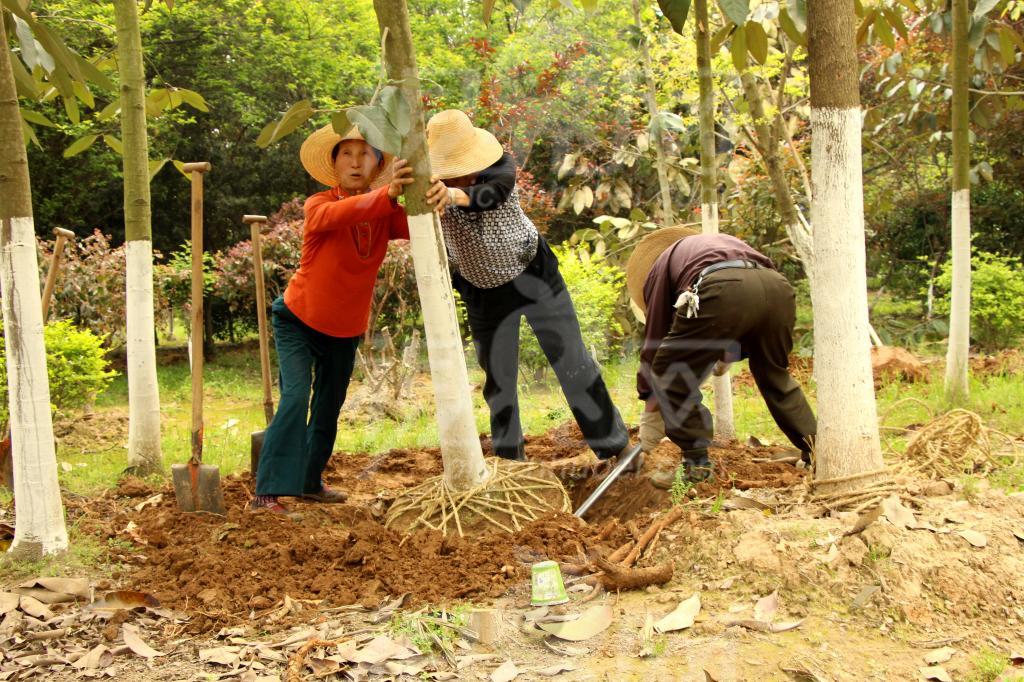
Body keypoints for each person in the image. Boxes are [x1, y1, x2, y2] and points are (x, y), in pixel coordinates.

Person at [249, 124, 449, 517]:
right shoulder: (319, 204)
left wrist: (434, 195)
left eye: (366, 154)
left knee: (328, 406)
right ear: (334, 163)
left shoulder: (384, 212)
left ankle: (308, 482)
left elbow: (419, 225)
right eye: (347, 154)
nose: (356, 162)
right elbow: (340, 214)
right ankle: (266, 492)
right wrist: (387, 194)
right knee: (294, 399)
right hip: (298, 318)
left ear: (378, 166)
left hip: (344, 328)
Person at [425, 110, 630, 465]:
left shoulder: (500, 166)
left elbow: (493, 194)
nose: (457, 172)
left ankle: (613, 446)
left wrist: (454, 195)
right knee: (499, 380)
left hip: (533, 273)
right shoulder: (427, 189)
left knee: (572, 361)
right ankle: (509, 462)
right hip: (482, 290)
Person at [625, 227, 817, 483]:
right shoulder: (717, 247)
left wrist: (650, 407)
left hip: (723, 288)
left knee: (667, 369)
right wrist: (723, 355)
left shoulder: (659, 268)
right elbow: (746, 302)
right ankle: (816, 452)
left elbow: (656, 343)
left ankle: (697, 467)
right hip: (777, 289)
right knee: (774, 374)